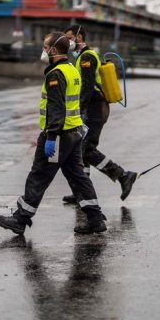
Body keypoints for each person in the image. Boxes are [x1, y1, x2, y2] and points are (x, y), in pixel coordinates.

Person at [0, 32, 107, 235]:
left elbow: (56, 108)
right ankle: (95, 219)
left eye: (45, 47)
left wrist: (51, 137)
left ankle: (20, 218)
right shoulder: (71, 69)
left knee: (39, 175)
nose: (43, 50)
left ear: (53, 50)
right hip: (74, 132)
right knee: (78, 177)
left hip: (59, 135)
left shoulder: (55, 74)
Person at [61, 25, 137, 203]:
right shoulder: (81, 57)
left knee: (87, 149)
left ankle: (123, 175)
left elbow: (87, 87)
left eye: (69, 38)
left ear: (79, 37)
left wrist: (79, 110)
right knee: (80, 150)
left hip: (95, 108)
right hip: (91, 108)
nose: (67, 42)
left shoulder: (87, 57)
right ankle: (81, 191)